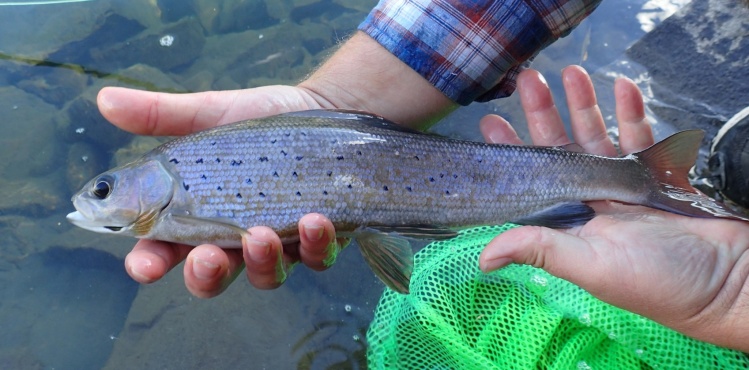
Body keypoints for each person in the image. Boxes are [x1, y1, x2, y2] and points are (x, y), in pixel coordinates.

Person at [96, 1, 749, 352]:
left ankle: (638, 181)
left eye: (103, 190)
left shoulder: (180, 183)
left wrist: (727, 298)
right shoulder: (178, 185)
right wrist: (727, 289)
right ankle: (644, 181)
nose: (99, 200)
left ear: (141, 181)